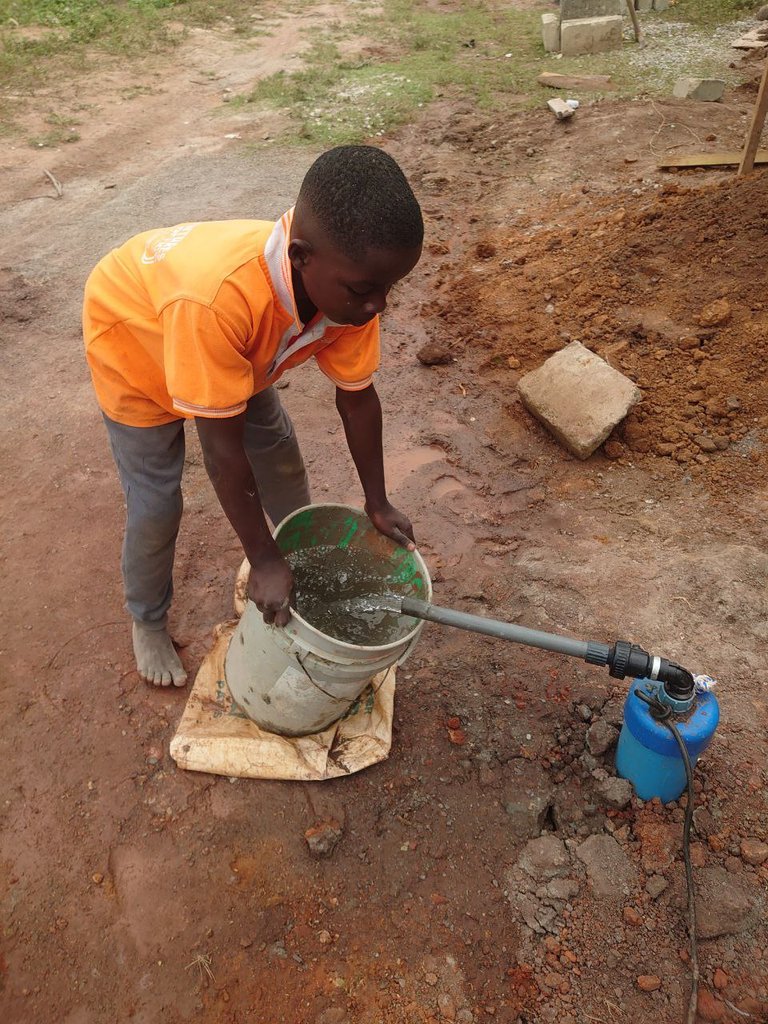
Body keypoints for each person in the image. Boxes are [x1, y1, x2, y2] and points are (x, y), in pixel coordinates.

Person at [83, 145, 423, 689]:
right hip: (137, 342)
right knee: (156, 500)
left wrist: (377, 501)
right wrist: (258, 558)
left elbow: (357, 398)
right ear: (302, 255)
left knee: (279, 454)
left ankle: (299, 555)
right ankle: (147, 618)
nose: (379, 305)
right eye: (367, 291)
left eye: (389, 287)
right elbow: (222, 453)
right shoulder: (221, 299)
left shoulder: (351, 286)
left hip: (236, 354)